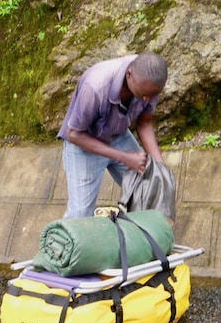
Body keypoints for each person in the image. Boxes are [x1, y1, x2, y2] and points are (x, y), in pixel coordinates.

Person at [58, 53, 168, 218]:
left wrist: (160, 168)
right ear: (129, 75)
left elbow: (144, 124)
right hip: (83, 142)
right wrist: (124, 157)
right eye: (144, 94)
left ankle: (135, 239)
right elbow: (73, 134)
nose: (148, 99)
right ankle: (63, 242)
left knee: (148, 190)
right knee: (80, 215)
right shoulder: (95, 86)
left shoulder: (151, 83)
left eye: (152, 95)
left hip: (117, 135)